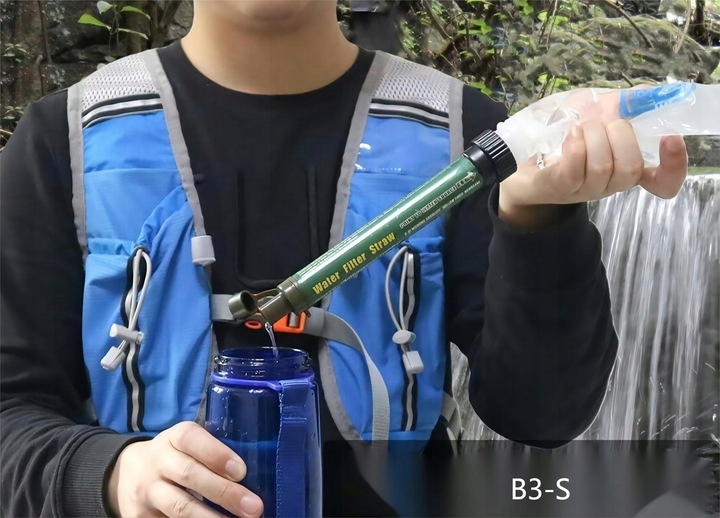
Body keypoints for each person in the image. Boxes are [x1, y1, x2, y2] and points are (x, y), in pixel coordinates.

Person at [0, 1, 688, 517]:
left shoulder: (467, 132)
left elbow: (542, 415)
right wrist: (112, 474)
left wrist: (540, 221)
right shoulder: (62, 142)